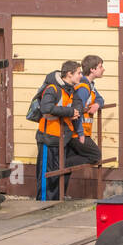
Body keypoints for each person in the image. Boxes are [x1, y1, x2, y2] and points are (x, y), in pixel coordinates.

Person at [35, 60, 91, 200]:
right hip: (48, 137)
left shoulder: (72, 89)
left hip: (62, 138)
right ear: (69, 74)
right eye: (78, 73)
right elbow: (46, 108)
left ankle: (54, 201)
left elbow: (77, 105)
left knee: (57, 172)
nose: (80, 76)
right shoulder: (52, 89)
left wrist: (75, 110)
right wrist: (70, 111)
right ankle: (43, 202)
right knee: (46, 173)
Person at [72, 55, 107, 165]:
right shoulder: (83, 87)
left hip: (82, 132)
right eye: (100, 67)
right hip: (77, 132)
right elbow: (76, 110)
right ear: (92, 69)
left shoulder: (89, 85)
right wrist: (81, 134)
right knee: (95, 155)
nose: (103, 69)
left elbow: (100, 99)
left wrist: (97, 104)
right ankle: (62, 164)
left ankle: (64, 164)